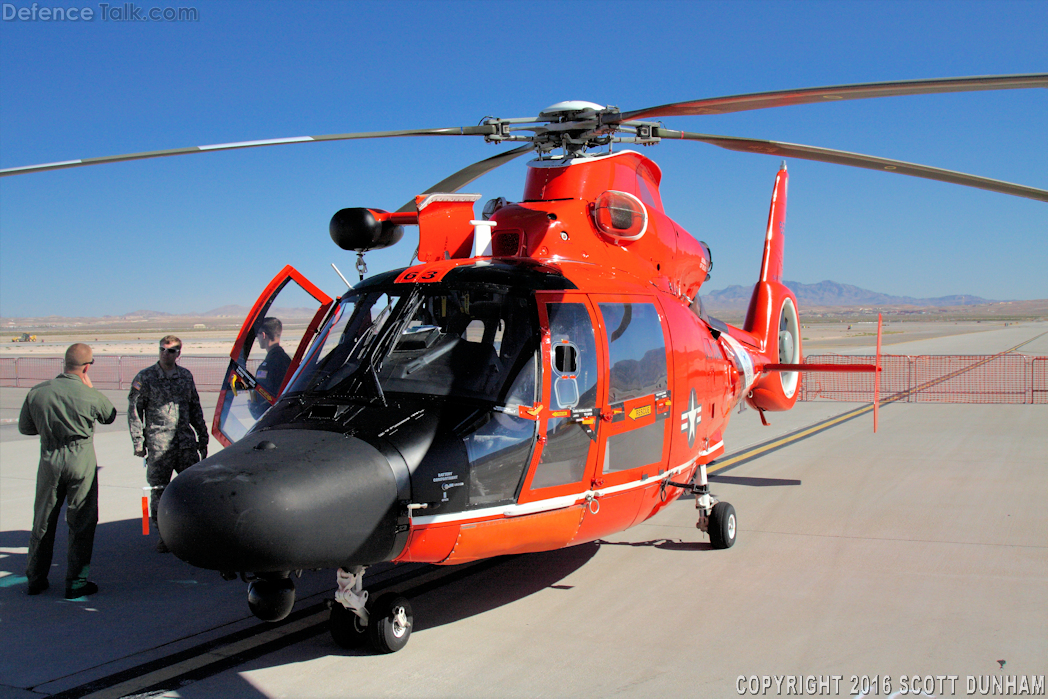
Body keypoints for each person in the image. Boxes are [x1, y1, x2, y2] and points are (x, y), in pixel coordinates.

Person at [20, 343, 117, 599]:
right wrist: (90, 389)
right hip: (80, 458)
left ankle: (36, 579)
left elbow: (25, 428)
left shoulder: (38, 392)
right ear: (86, 367)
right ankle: (76, 582)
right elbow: (109, 415)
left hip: (50, 458)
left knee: (43, 520)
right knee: (82, 521)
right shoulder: (88, 394)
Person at [128, 335, 209, 553]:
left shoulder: (185, 376)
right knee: (159, 491)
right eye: (162, 349)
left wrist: (203, 436)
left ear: (178, 354)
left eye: (171, 351)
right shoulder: (145, 377)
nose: (166, 353)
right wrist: (138, 442)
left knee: (192, 489)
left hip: (184, 442)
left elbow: (195, 407)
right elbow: (135, 412)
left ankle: (193, 532)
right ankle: (164, 536)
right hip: (159, 445)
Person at [249, 317, 292, 418]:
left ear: (263, 335)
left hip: (273, 418)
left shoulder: (268, 366)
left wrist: (253, 407)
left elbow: (262, 399)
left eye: (258, 335)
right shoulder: (286, 360)